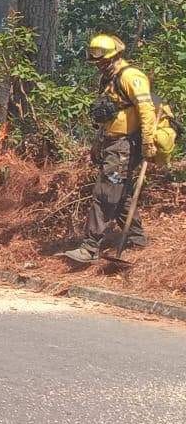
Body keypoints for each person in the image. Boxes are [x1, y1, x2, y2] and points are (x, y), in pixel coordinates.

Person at [63, 34, 157, 264]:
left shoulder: (131, 77)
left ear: (115, 57)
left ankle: (89, 247)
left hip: (125, 145)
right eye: (97, 62)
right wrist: (97, 144)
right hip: (111, 143)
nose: (99, 66)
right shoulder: (108, 80)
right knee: (121, 192)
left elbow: (146, 109)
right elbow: (107, 117)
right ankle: (136, 239)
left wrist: (148, 141)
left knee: (105, 193)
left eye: (103, 61)